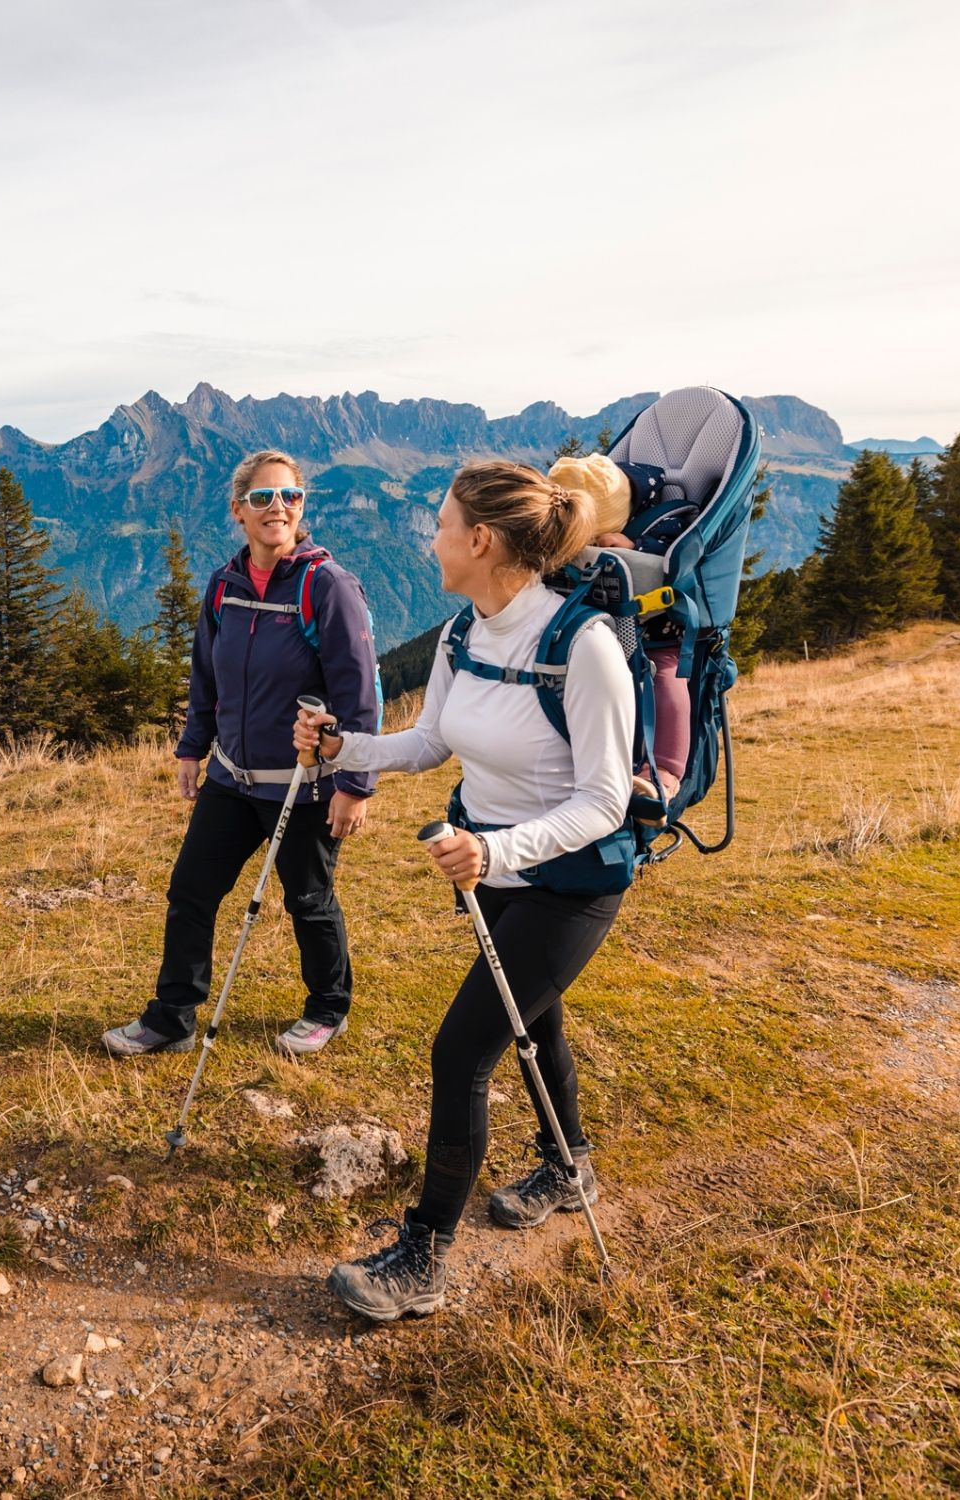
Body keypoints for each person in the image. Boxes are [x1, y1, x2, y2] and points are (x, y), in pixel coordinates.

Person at [293, 459, 634, 1320]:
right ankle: (570, 1167)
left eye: (441, 523)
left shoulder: (583, 646)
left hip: (569, 880)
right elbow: (430, 742)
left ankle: (424, 1257)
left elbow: (604, 799)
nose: (431, 537)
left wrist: (498, 848)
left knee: (462, 1050)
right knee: (532, 1017)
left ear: (481, 541)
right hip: (492, 870)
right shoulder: (461, 635)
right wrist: (344, 750)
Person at [102, 449, 382, 1060]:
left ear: (302, 506)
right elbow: (207, 674)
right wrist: (191, 750)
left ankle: (326, 1009)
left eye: (290, 496)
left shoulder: (326, 586)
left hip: (304, 784)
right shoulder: (224, 586)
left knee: (307, 899)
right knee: (191, 892)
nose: (277, 507)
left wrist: (356, 783)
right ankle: (172, 1017)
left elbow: (361, 691)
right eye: (263, 497)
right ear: (239, 510)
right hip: (233, 777)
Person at [549, 451, 690, 802]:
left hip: (659, 634)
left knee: (667, 681)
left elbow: (678, 559)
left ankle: (666, 772)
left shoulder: (665, 524)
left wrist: (636, 548)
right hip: (598, 633)